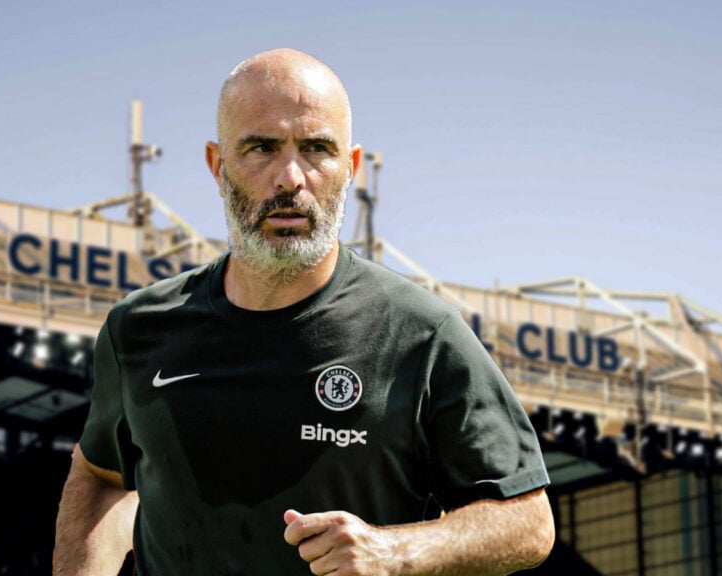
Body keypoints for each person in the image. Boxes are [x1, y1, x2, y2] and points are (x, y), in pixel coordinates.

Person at [53, 48, 554, 575]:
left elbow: (527, 520)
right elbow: (101, 476)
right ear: (217, 165)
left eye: (316, 148)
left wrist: (395, 552)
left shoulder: (424, 335)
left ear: (351, 167)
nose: (290, 177)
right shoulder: (138, 329)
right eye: (261, 148)